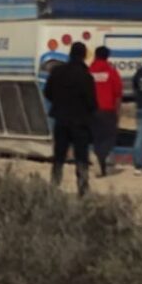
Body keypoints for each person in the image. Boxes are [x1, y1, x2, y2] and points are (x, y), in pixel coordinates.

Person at [43, 42, 98, 197]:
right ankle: (82, 189)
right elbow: (91, 101)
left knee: (59, 156)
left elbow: (47, 93)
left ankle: (54, 186)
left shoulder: (57, 71)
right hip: (80, 122)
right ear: (83, 55)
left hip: (60, 119)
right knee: (81, 157)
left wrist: (59, 103)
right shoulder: (85, 76)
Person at [89, 46, 123, 177]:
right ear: (107, 57)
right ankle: (101, 158)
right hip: (108, 110)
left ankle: (99, 161)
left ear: (96, 55)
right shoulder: (112, 72)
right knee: (109, 138)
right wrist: (118, 112)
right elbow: (118, 94)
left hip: (92, 110)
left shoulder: (89, 71)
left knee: (96, 137)